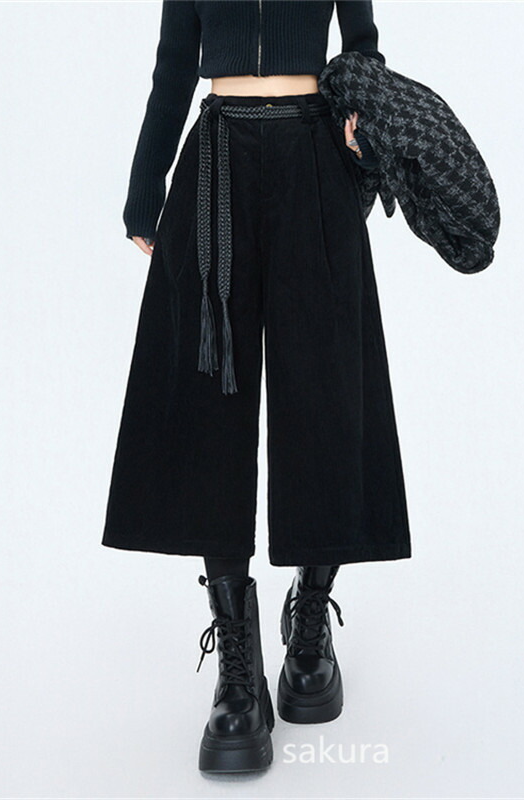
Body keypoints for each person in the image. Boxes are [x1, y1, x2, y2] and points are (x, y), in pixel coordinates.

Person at [102, 0, 411, 774]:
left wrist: (364, 138)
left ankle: (309, 621)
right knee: (210, 403)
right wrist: (145, 184)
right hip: (217, 165)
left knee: (327, 395)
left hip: (316, 157)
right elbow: (175, 64)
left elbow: (363, 48)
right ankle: (238, 666)